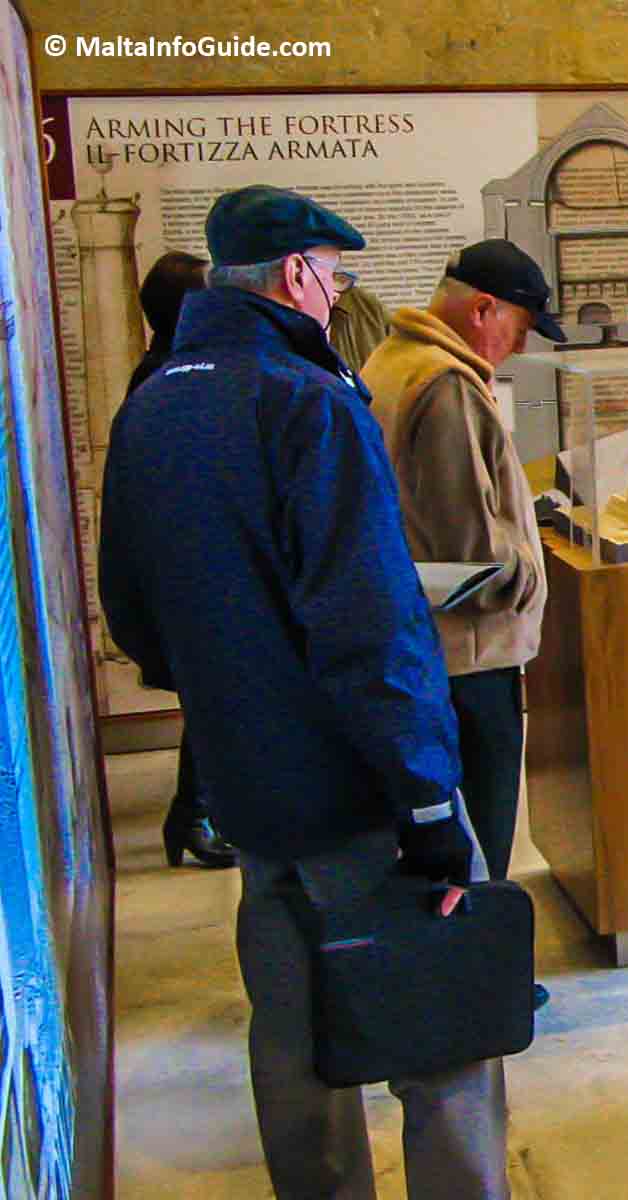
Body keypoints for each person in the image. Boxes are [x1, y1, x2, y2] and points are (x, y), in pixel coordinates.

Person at [97, 184, 508, 1199]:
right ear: (298, 276)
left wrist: (227, 684)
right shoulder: (308, 401)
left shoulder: (155, 398)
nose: (337, 295)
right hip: (353, 783)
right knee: (443, 1037)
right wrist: (427, 801)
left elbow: (131, 608)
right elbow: (370, 627)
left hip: (246, 776)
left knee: (291, 1029)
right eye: (338, 275)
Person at [361, 239, 557, 893]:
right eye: (521, 328)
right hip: (470, 656)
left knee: (446, 839)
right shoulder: (447, 389)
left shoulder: (393, 360)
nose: (521, 348)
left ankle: (461, 971)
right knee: (479, 837)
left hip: (429, 645)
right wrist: (529, 571)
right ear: (483, 309)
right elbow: (476, 553)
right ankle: (484, 977)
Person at [126, 250, 234, 869]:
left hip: (191, 566)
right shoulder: (169, 376)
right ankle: (194, 815)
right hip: (194, 569)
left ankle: (193, 814)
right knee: (212, 696)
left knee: (212, 696)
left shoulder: (166, 369)